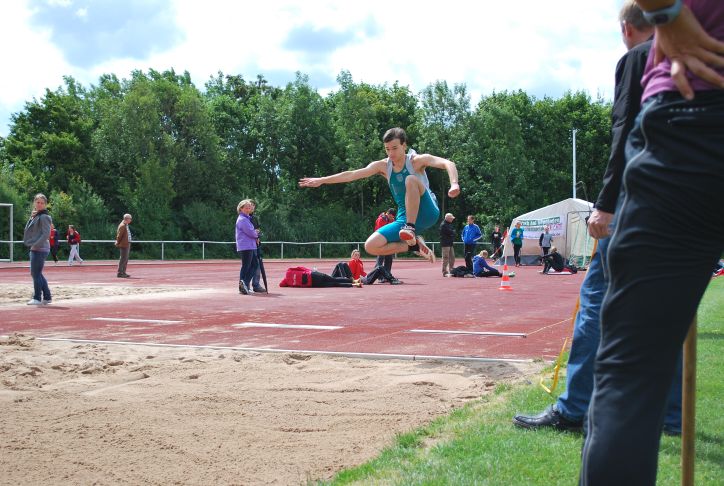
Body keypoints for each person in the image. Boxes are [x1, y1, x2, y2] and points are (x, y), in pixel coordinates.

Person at [514, 1, 684, 438]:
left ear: (627, 28)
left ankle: (575, 407)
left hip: (635, 204)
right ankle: (671, 415)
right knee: (664, 310)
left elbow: (624, 130)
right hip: (682, 205)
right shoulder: (688, 54)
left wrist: (605, 204)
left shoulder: (638, 58)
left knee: (595, 300)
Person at [579, 1, 724, 484]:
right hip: (692, 117)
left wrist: (669, 13)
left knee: (629, 376)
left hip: (694, 114)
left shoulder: (634, 56)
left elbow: (623, 126)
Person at [299, 127, 460, 263]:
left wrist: (454, 183)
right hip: (404, 218)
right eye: (387, 149)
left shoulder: (416, 161)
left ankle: (410, 229)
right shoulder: (383, 166)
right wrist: (322, 180)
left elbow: (448, 163)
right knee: (371, 246)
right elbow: (353, 174)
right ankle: (413, 245)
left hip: (427, 212)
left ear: (404, 145)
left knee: (410, 179)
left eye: (394, 148)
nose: (391, 153)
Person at [23, 194, 53, 305]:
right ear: (34, 203)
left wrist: (35, 244)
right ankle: (47, 297)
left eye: (42, 203)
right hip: (37, 248)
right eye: (37, 202)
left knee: (35, 274)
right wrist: (31, 218)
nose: (39, 204)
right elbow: (27, 230)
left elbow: (46, 234)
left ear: (45, 204)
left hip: (40, 248)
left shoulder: (44, 216)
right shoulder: (37, 215)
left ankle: (37, 298)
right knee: (37, 273)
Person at [236, 199, 259, 295]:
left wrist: (255, 233)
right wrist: (257, 233)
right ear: (241, 209)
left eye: (249, 207)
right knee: (247, 266)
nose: (248, 209)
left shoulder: (246, 219)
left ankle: (244, 285)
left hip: (249, 245)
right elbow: (251, 233)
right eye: (246, 208)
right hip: (246, 246)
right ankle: (243, 285)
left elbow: (252, 232)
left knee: (253, 265)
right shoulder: (243, 220)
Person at [279, 266, 360, 288]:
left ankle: (354, 284)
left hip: (313, 284)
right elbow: (300, 268)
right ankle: (353, 281)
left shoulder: (288, 283)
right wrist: (311, 271)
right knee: (333, 279)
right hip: (313, 275)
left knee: (334, 284)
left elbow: (281, 285)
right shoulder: (289, 271)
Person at [374, 208, 397, 278]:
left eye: (393, 217)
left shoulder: (392, 220)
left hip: (389, 241)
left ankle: (387, 274)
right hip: (380, 240)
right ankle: (379, 276)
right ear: (388, 214)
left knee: (389, 258)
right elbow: (380, 231)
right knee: (380, 258)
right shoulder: (381, 219)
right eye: (392, 217)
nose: (392, 218)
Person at [249, 201, 266, 293]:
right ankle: (245, 285)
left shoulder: (255, 218)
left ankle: (256, 285)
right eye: (250, 205)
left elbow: (258, 229)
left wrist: (258, 237)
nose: (252, 207)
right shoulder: (245, 218)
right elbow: (249, 231)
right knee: (248, 265)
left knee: (257, 264)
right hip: (248, 245)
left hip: (256, 244)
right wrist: (255, 234)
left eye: (253, 206)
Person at [115, 213, 133, 278]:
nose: (131, 220)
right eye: (130, 218)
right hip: (124, 244)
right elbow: (119, 236)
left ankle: (123, 272)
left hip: (127, 243)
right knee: (123, 258)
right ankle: (120, 273)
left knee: (125, 259)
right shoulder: (122, 225)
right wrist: (117, 242)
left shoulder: (126, 225)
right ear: (126, 219)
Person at [439, 212, 456, 277]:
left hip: (450, 243)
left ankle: (451, 270)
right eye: (451, 218)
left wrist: (452, 232)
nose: (452, 219)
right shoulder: (443, 225)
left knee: (452, 257)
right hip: (445, 244)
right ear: (447, 218)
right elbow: (451, 232)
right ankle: (444, 272)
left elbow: (453, 232)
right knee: (445, 258)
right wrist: (452, 232)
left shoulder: (449, 224)